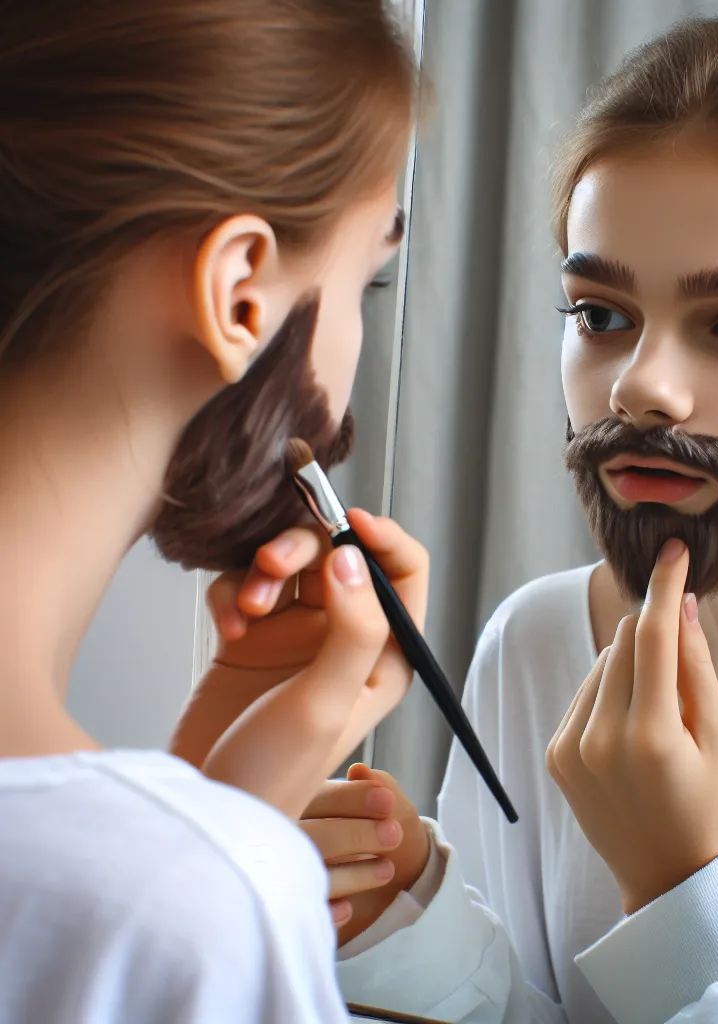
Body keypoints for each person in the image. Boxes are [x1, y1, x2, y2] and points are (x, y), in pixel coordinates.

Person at [226, 8, 718, 1023]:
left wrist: (680, 886)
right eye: (600, 316)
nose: (640, 389)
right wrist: (411, 918)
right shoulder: (539, 645)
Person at [0, 1, 429, 1021]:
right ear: (242, 292)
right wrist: (210, 854)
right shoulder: (183, 904)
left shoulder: (171, 885)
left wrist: (214, 803)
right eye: (367, 279)